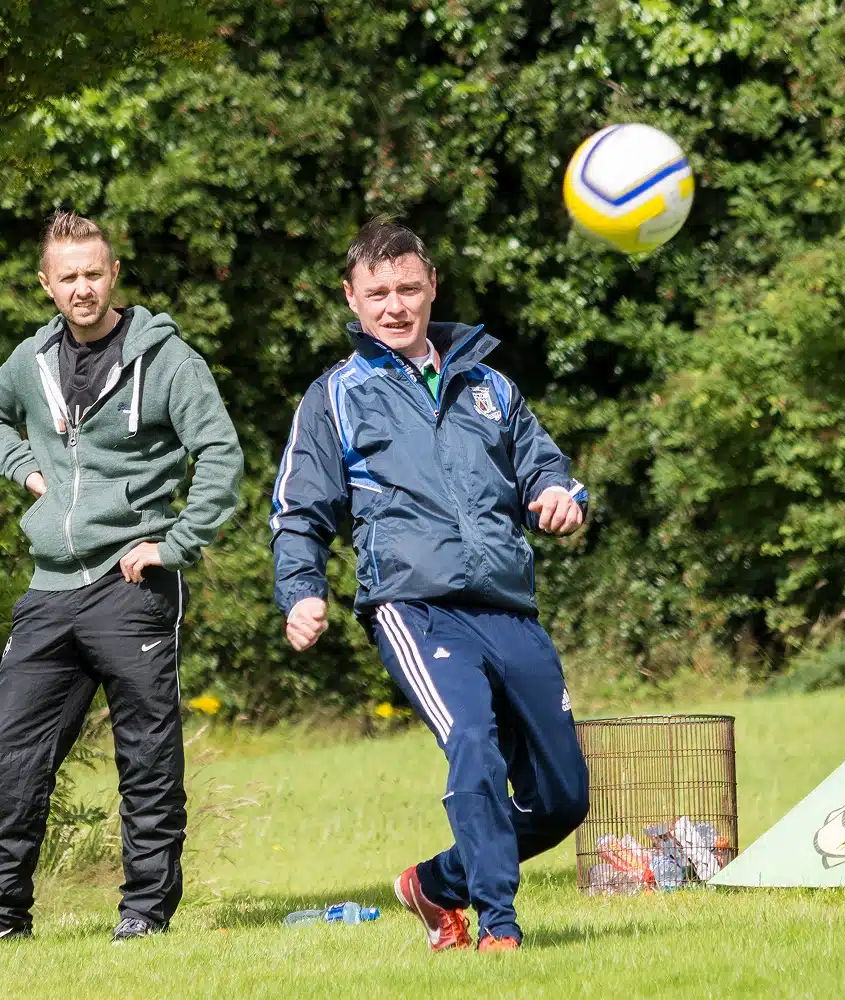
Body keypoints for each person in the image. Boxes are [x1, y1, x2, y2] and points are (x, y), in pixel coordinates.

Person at [270, 221, 590, 952]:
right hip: (413, 607)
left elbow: (546, 466)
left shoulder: (490, 384)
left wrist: (561, 497)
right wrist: (302, 591)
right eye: (377, 292)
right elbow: (298, 509)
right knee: (472, 746)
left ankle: (435, 884)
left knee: (564, 797)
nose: (394, 305)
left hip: (507, 604)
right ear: (351, 298)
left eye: (408, 288)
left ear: (432, 287)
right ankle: (495, 927)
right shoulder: (336, 396)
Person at [0, 212, 243, 942]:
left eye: (94, 273)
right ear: (47, 283)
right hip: (48, 588)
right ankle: (6, 915)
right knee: (10, 755)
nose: (82, 288)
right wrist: (23, 468)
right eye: (68, 276)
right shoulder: (28, 362)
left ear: (114, 273)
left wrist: (175, 544)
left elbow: (221, 457)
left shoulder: (166, 360)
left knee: (145, 757)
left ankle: (143, 913)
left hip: (129, 586)